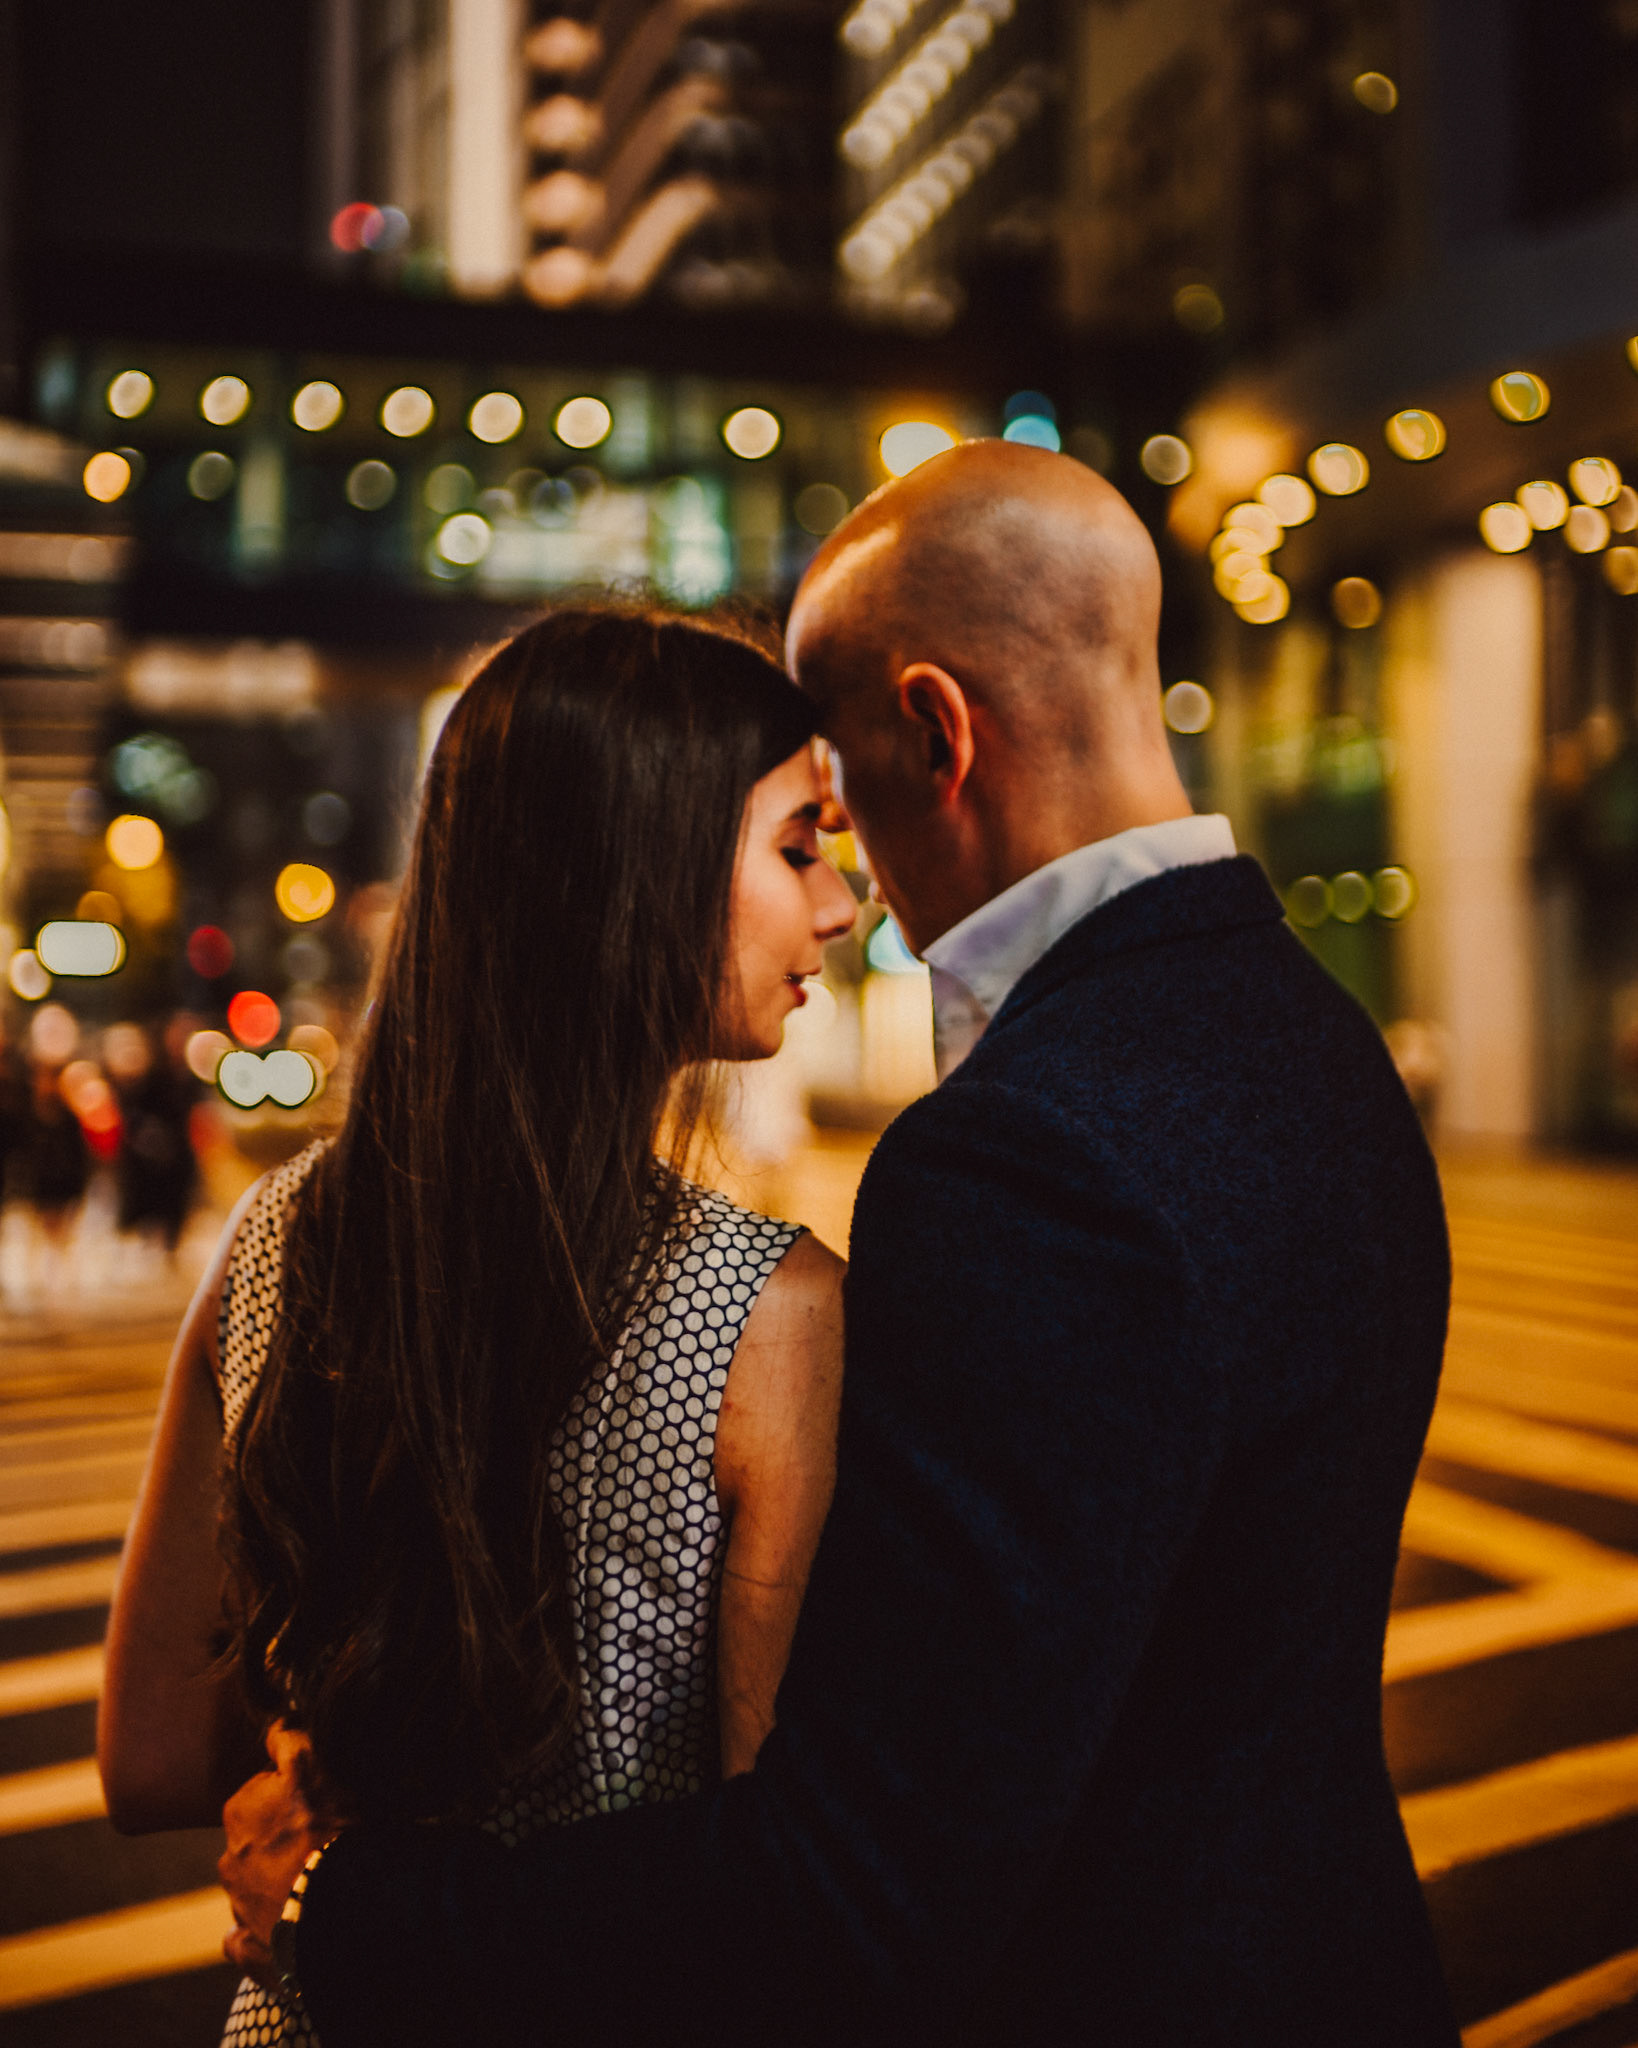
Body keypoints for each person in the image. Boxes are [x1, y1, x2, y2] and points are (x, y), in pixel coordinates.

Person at [220, 444, 1460, 2047]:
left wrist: (349, 1905)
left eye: (838, 796)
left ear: (937, 732)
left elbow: (861, 1889)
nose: (849, 878)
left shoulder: (1024, 1152)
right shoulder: (1323, 1050)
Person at [98, 607, 856, 2045]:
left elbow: (147, 1761)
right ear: (643, 861)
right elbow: (774, 1894)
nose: (838, 905)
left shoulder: (273, 1241)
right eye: (797, 846)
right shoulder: (771, 1312)